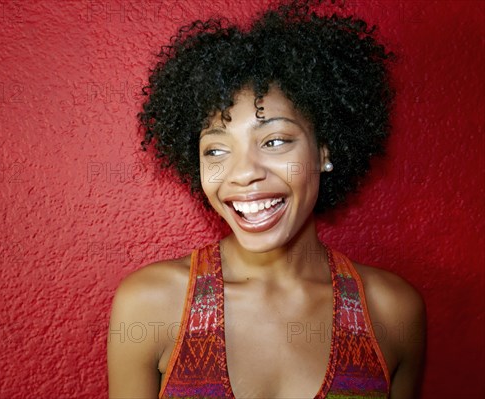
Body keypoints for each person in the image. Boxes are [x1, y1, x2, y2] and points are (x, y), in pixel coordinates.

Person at [107, 1, 426, 398]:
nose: (243, 173)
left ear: (324, 151)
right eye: (216, 150)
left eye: (275, 141)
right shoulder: (150, 304)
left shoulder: (392, 311)